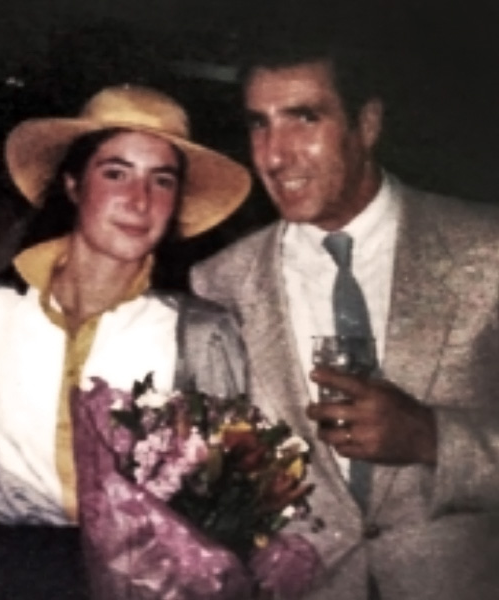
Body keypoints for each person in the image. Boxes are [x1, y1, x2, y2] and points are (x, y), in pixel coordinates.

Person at [191, 11, 499, 600]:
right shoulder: (219, 283)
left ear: (368, 122)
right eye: (259, 124)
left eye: (304, 118)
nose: (275, 156)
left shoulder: (486, 250)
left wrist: (433, 438)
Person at [0, 84, 252, 599]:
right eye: (115, 172)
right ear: (73, 184)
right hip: (18, 578)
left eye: (161, 181)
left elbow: (230, 496)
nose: (139, 201)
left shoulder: (198, 334)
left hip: (150, 584)